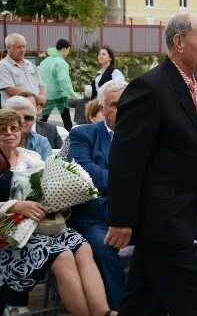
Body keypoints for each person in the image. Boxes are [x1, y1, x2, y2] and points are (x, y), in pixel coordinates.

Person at [104, 14, 197, 315]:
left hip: (184, 216)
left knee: (143, 301)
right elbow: (125, 159)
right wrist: (121, 218)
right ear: (178, 42)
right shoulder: (149, 88)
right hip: (162, 219)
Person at [0, 110, 117, 316]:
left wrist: (61, 204)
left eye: (14, 128)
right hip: (9, 234)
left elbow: (48, 191)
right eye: (2, 129)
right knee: (61, 255)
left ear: (22, 131)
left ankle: (104, 312)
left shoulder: (32, 157)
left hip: (42, 225)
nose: (9, 133)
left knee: (83, 247)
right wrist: (15, 206)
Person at [67, 80, 129, 310]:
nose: (121, 110)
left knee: (164, 242)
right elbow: (85, 171)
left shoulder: (144, 136)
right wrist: (127, 183)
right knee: (104, 249)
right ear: (102, 109)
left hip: (135, 213)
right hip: (94, 215)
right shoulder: (84, 134)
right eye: (114, 105)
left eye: (126, 104)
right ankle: (121, 309)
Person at [38, 39, 77, 130]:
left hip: (46, 94)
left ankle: (35, 135)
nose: (68, 52)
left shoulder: (46, 61)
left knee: (42, 119)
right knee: (66, 120)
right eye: (68, 50)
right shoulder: (61, 62)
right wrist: (72, 93)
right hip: (59, 95)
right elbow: (62, 80)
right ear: (64, 49)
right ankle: (70, 139)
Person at [0, 33, 46, 107]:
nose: (22, 50)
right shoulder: (3, 66)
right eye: (18, 47)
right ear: (8, 47)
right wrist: (37, 99)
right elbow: (11, 90)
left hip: (35, 110)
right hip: (16, 113)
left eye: (24, 46)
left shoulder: (29, 64)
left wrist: (41, 101)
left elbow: (41, 84)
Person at [3, 96, 52, 160]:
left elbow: (49, 168)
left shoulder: (41, 141)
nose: (23, 121)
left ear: (34, 120)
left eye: (28, 118)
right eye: (17, 117)